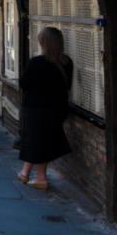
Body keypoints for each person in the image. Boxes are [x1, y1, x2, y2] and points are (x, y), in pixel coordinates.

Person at [17, 27, 73, 190]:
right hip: (57, 109)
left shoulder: (37, 62)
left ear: (44, 43)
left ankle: (41, 178)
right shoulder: (66, 62)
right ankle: (25, 173)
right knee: (41, 142)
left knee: (36, 142)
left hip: (36, 109)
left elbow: (23, 84)